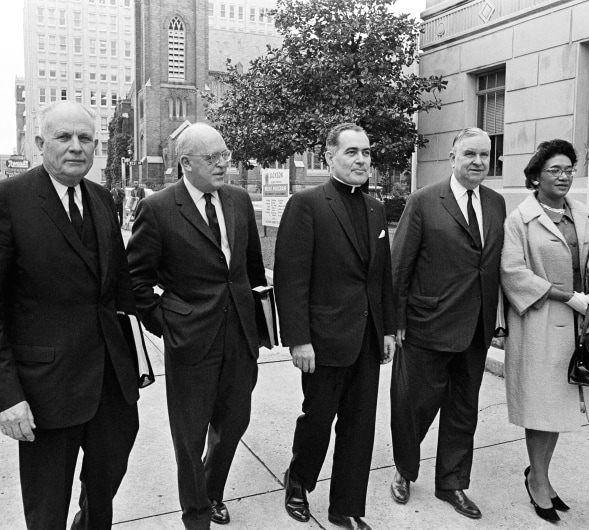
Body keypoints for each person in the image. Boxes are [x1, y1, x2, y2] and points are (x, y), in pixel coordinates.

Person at [0, 101, 140, 529]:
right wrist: (6, 397)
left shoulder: (101, 199)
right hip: (46, 392)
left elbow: (119, 287)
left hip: (109, 388)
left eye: (86, 139)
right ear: (40, 143)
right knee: (47, 512)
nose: (76, 148)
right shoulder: (5, 201)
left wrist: (184, 312)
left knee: (102, 498)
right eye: (64, 137)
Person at [126, 123, 267, 530]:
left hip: (240, 338)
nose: (225, 164)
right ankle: (196, 514)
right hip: (191, 342)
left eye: (225, 155)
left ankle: (211, 489)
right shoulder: (158, 209)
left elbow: (251, 270)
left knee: (234, 422)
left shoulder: (239, 200)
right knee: (189, 437)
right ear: (185, 163)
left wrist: (261, 327)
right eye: (213, 158)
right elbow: (136, 283)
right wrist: (171, 324)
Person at [274, 123, 396, 530]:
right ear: (329, 157)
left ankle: (345, 506)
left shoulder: (376, 208)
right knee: (318, 419)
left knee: (360, 427)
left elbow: (382, 278)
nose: (361, 159)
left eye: (366, 152)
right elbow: (291, 279)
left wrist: (389, 330)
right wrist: (299, 340)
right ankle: (298, 481)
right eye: (351, 152)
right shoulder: (306, 204)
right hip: (324, 340)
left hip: (367, 337)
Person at [500, 139, 589, 522]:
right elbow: (512, 273)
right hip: (538, 326)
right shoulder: (519, 220)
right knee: (542, 408)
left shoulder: (585, 215)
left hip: (578, 326)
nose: (564, 176)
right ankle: (538, 481)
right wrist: (564, 295)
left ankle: (539, 474)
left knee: (558, 407)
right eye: (554, 169)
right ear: (535, 177)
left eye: (569, 169)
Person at [389, 127, 506, 519]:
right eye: (470, 154)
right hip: (426, 326)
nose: (477, 162)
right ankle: (405, 470)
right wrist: (397, 320)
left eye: (484, 156)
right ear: (452, 158)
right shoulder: (423, 201)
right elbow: (400, 265)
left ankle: (452, 483)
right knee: (413, 407)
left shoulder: (496, 204)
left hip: (475, 328)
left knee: (462, 410)